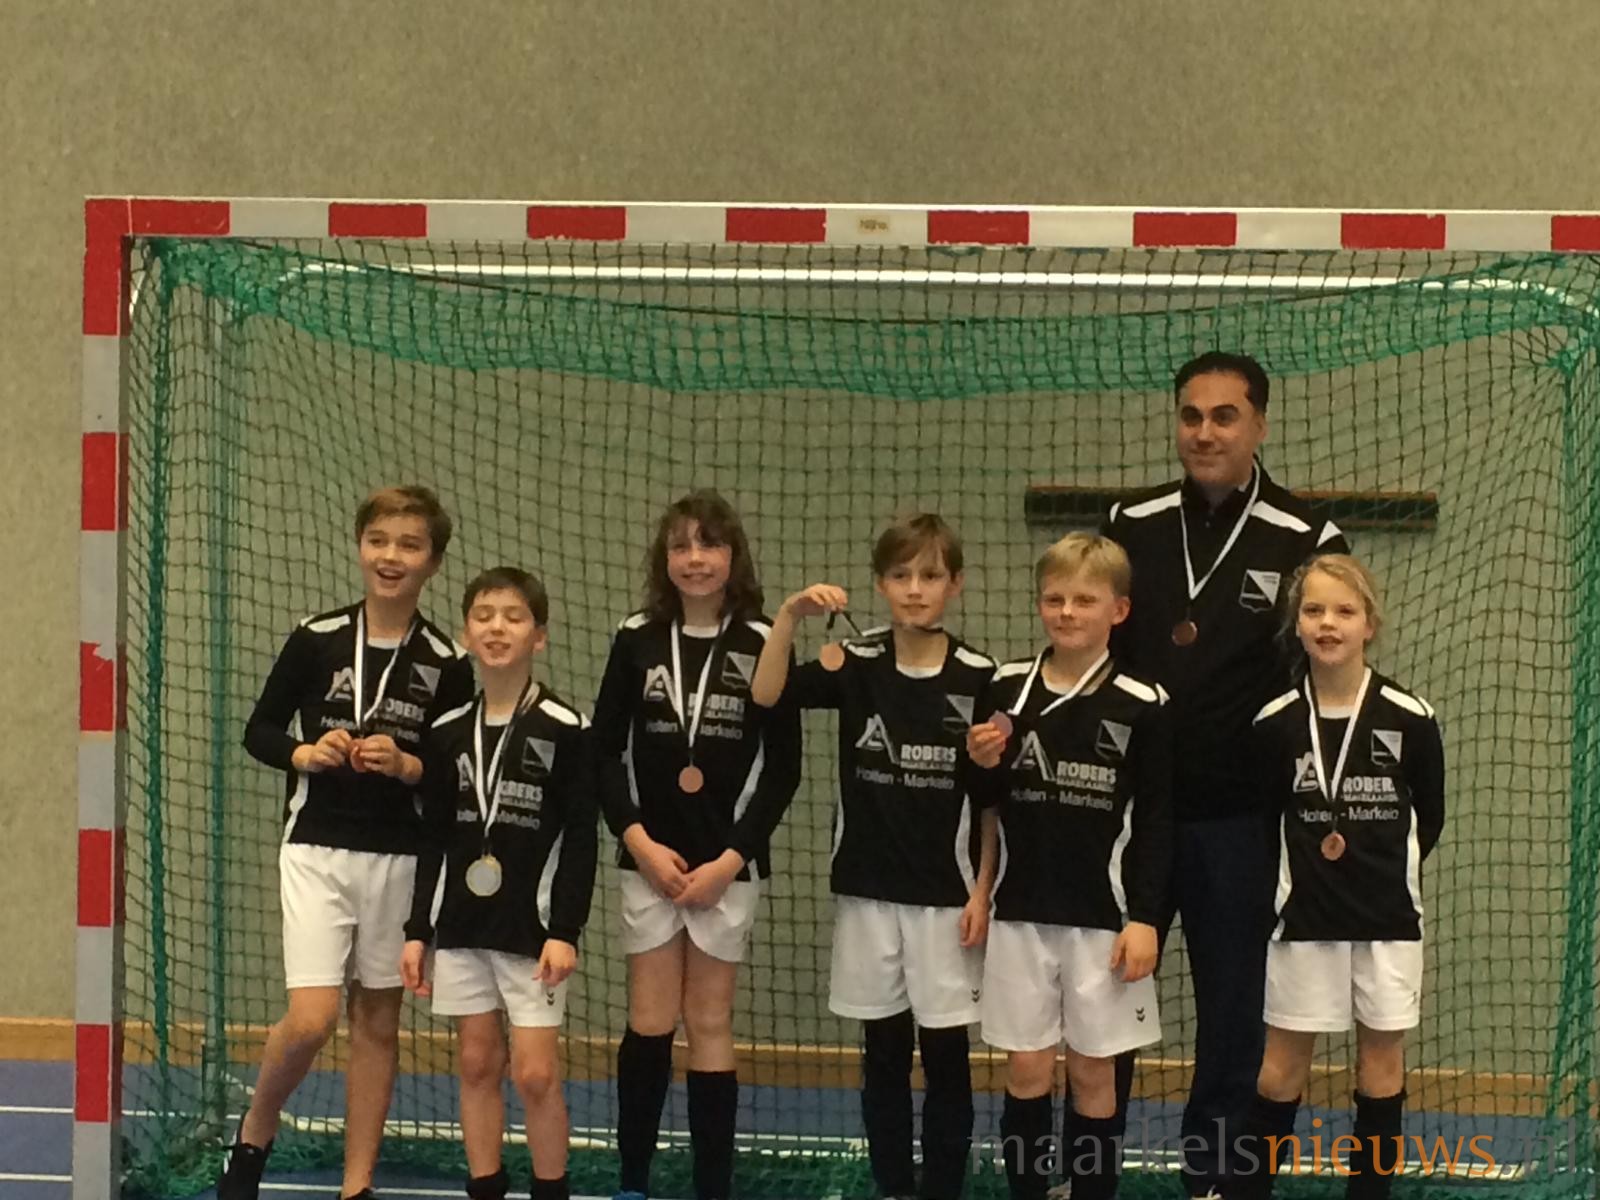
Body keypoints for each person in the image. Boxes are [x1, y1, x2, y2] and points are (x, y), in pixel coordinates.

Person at [1102, 352, 1348, 1194]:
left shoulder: (1306, 537)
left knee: (1235, 1010)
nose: (1204, 432)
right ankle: (1089, 1170)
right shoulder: (1128, 522)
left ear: (1260, 425)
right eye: (1191, 415)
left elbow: (1322, 673)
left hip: (1241, 818)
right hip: (1132, 812)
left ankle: (1214, 1178)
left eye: (1224, 416)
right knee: (1106, 1001)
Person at [222, 485, 475, 1200]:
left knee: (377, 1023)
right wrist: (305, 753)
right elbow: (259, 730)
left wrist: (408, 764)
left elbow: (456, 772)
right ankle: (255, 1132)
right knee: (311, 1019)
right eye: (379, 540)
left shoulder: (448, 661)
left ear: (433, 561)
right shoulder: (316, 636)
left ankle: (356, 1184)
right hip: (316, 850)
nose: (391, 556)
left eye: (409, 545)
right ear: (361, 546)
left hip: (401, 856)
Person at [751, 513, 998, 1200]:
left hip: (947, 900)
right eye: (900, 575)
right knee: (883, 1056)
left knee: (947, 1059)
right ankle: (893, 1186)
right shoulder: (855, 664)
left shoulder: (981, 675)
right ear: (881, 584)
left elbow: (990, 802)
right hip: (867, 893)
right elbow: (767, 695)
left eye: (930, 575)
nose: (915, 589)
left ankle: (942, 1188)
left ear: (955, 584)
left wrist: (982, 890)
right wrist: (789, 617)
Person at [593, 490, 801, 1200]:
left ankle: (714, 1186)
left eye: (709, 544)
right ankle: (634, 1181)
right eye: (680, 545)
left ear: (733, 556)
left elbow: (784, 768)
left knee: (710, 1021)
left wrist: (730, 860)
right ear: (665, 558)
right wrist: (639, 843)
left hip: (725, 866)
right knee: (650, 1020)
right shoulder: (636, 638)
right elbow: (604, 753)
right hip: (649, 861)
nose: (695, 559)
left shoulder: (765, 640)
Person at [967, 532, 1172, 1200]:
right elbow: (985, 802)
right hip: (1021, 912)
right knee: (1026, 1069)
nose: (1067, 612)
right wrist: (983, 766)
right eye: (1054, 598)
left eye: (1085, 600)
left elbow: (1158, 823)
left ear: (1119, 610)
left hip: (1104, 919)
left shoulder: (1145, 703)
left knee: (1093, 1074)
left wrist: (1146, 918)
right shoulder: (1006, 688)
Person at [1232, 554, 1444, 1200]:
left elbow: (1429, 819)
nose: (1329, 623)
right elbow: (1262, 822)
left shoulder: (1411, 717)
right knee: (1280, 1069)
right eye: (1314, 610)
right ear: (1296, 624)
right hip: (1304, 920)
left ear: (1369, 625)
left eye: (1345, 611)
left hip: (1387, 921)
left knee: (1380, 1064)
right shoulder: (1273, 723)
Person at [401, 567, 598, 1200]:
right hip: (462, 926)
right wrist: (417, 931)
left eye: (513, 617)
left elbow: (582, 839)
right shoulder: (445, 732)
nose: (497, 628)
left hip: (532, 931)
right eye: (483, 616)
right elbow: (434, 839)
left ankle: (550, 1190)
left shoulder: (567, 728)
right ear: (466, 633)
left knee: (535, 1074)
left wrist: (565, 931)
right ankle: (485, 1187)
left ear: (539, 636)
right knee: (476, 1063)